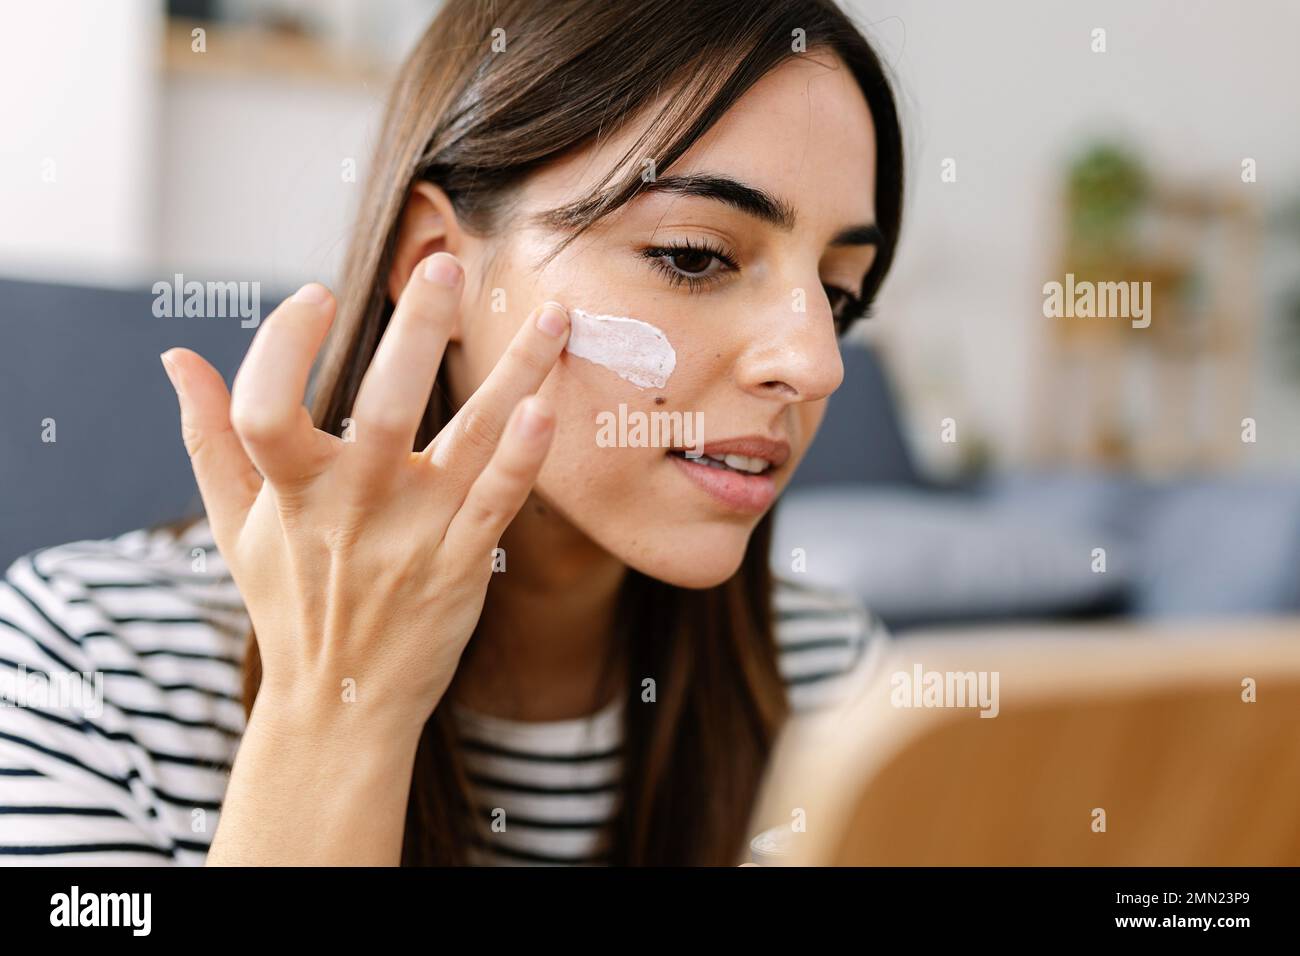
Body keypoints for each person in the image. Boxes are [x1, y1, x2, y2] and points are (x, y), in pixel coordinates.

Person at [0, 0, 903, 866]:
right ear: (439, 263)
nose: (816, 362)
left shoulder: (840, 690)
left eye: (837, 293)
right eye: (695, 256)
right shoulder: (85, 669)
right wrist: (339, 706)